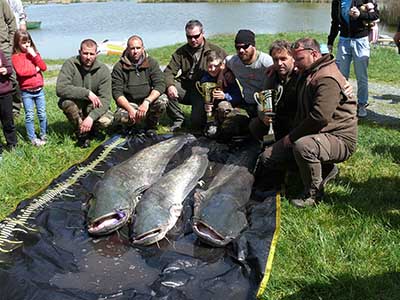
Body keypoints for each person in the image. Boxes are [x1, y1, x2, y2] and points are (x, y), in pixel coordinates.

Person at [258, 38, 358, 208]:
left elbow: (320, 117)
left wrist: (291, 137)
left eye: (298, 59)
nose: (295, 64)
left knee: (303, 146)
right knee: (268, 158)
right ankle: (325, 169)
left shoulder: (326, 77)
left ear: (314, 54)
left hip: (338, 138)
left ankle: (313, 194)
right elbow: (286, 69)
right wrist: (273, 69)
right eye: (294, 60)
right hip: (318, 134)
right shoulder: (310, 69)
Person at [164, 19, 227, 131]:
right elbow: (168, 72)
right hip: (186, 87)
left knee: (196, 124)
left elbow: (229, 64)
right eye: (189, 37)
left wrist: (222, 74)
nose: (193, 40)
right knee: (163, 86)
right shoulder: (180, 52)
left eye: (196, 36)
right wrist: (170, 86)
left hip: (203, 92)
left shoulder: (216, 50)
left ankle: (205, 117)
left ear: (203, 33)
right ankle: (178, 119)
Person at [56, 39, 114, 148]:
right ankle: (82, 133)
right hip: (76, 105)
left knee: (106, 120)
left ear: (96, 54)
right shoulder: (70, 64)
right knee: (67, 103)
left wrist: (91, 117)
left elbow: (106, 100)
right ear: (79, 52)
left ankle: (93, 128)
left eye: (91, 54)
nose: (88, 57)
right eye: (85, 53)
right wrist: (86, 93)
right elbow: (60, 89)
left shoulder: (103, 70)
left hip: (91, 107)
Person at [327, 0, 379, 118]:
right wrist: (330, 42)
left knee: (361, 76)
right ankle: (343, 103)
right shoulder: (337, 1)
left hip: (361, 40)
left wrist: (360, 15)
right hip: (344, 40)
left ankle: (361, 104)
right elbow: (335, 22)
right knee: (341, 75)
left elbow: (376, 15)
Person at [112, 35, 167, 135]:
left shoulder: (152, 63)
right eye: (132, 48)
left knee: (162, 101)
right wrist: (130, 109)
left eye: (138, 48)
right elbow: (116, 93)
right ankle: (130, 127)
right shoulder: (119, 67)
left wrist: (147, 102)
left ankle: (151, 126)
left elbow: (160, 85)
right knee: (120, 116)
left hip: (147, 101)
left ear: (143, 48)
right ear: (127, 49)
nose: (135, 51)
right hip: (129, 103)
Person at [249, 40, 298, 144]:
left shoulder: (300, 74)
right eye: (275, 60)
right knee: (255, 125)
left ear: (293, 58)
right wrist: (263, 116)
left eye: (283, 59)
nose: (279, 63)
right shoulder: (271, 76)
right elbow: (263, 101)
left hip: (296, 119)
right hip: (279, 118)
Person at [224, 29, 273, 119]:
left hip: (264, 104)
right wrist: (222, 75)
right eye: (238, 48)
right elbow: (223, 64)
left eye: (245, 46)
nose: (241, 50)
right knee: (229, 123)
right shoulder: (233, 61)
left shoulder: (266, 62)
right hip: (246, 103)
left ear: (253, 46)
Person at [12, 30, 47, 146]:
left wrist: (34, 55)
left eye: (28, 42)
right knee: (30, 115)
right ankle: (32, 138)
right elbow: (21, 72)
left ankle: (43, 134)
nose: (27, 45)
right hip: (27, 92)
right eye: (23, 43)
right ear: (17, 44)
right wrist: (35, 70)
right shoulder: (16, 57)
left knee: (42, 113)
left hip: (39, 90)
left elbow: (43, 67)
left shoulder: (34, 54)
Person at [197, 50, 243, 138]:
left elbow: (238, 97)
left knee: (223, 105)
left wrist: (225, 96)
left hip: (230, 108)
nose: (213, 69)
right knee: (209, 131)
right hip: (213, 110)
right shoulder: (204, 80)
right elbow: (203, 97)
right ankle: (212, 124)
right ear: (206, 66)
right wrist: (206, 104)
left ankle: (227, 128)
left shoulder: (229, 77)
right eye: (210, 66)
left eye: (216, 66)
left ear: (222, 65)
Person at [0, 48, 17, 160]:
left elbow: (10, 68)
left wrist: (6, 70)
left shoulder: (0, 53)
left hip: (5, 93)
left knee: (8, 121)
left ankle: (13, 145)